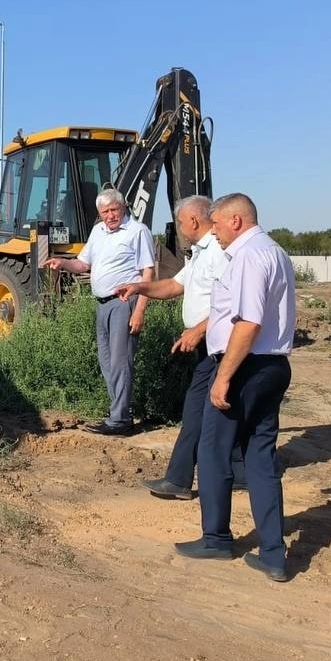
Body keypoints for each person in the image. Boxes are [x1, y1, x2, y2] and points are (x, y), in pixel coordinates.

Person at [172, 193, 296, 581]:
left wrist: (223, 376)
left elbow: (248, 323)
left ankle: (216, 537)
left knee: (213, 450)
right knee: (260, 457)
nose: (216, 232)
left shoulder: (247, 257)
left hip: (245, 365)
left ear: (237, 221)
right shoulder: (275, 251)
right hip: (274, 365)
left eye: (219, 225)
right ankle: (273, 554)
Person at [115, 195, 247, 498]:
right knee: (224, 406)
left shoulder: (218, 252)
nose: (179, 226)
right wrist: (139, 287)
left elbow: (229, 305)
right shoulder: (200, 253)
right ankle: (239, 472)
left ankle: (179, 480)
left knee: (196, 410)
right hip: (208, 343)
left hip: (217, 344)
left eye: (180, 220)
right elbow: (175, 285)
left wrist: (198, 330)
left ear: (192, 221)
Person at [42, 188, 155, 435]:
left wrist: (140, 311)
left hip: (125, 302)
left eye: (114, 210)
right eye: (105, 212)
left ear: (123, 208)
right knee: (107, 362)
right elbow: (83, 264)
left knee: (120, 361)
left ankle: (120, 420)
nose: (110, 215)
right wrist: (63, 263)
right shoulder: (98, 232)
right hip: (102, 304)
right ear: (100, 213)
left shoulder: (137, 232)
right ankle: (120, 412)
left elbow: (148, 273)